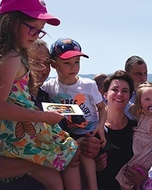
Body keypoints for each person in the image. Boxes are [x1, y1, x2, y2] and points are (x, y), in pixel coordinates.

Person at [0, 0, 80, 189]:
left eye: (41, 30)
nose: (36, 35)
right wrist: (45, 117)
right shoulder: (11, 58)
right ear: (11, 21)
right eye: (33, 28)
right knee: (70, 152)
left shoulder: (4, 55)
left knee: (54, 180)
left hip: (6, 137)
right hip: (16, 135)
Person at [42, 37, 107, 190]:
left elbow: (102, 108)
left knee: (85, 155)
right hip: (67, 134)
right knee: (71, 159)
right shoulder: (49, 87)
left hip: (89, 130)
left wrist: (100, 126)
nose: (73, 67)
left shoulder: (88, 85)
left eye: (77, 62)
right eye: (67, 63)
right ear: (53, 64)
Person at [116, 82, 152, 190]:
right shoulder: (140, 115)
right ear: (139, 102)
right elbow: (129, 107)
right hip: (136, 157)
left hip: (146, 160)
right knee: (125, 180)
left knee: (133, 181)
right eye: (147, 99)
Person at [95, 70, 137, 190]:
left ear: (129, 96)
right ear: (104, 94)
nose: (119, 94)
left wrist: (142, 175)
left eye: (125, 91)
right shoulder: (95, 128)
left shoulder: (136, 129)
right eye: (114, 89)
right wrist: (93, 166)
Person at [124, 55, 148, 119]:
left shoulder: (149, 92)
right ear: (127, 74)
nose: (143, 78)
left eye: (145, 73)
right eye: (138, 74)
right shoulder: (118, 93)